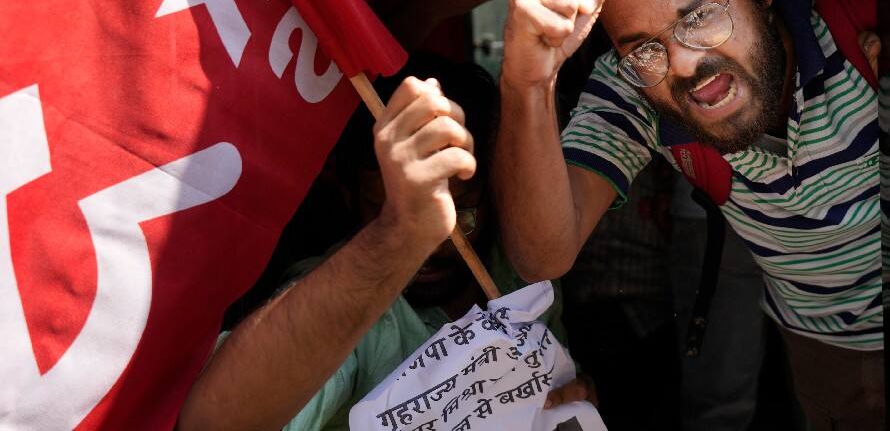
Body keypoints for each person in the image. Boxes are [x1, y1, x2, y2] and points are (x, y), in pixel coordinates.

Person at [493, 0, 890, 429]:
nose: (681, 64)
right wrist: (526, 82)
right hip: (824, 343)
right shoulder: (634, 87)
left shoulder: (875, 1)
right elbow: (543, 254)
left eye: (699, 17)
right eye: (646, 47)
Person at [179, 57, 590, 431]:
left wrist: (571, 400)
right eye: (390, 211)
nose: (428, 244)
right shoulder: (338, 314)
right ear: (348, 191)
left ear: (496, 195)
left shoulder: (523, 272)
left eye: (461, 216)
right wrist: (398, 232)